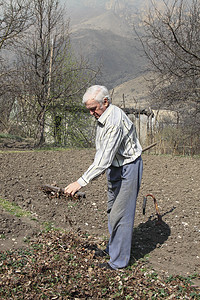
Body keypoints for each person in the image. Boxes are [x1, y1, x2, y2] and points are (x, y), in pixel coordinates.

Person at [64, 85, 143, 270]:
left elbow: (104, 159)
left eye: (94, 109)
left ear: (105, 102)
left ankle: (118, 263)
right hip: (115, 168)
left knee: (121, 215)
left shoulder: (114, 121)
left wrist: (80, 182)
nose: (92, 113)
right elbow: (103, 153)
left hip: (128, 168)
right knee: (111, 211)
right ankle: (113, 249)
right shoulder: (103, 116)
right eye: (89, 110)